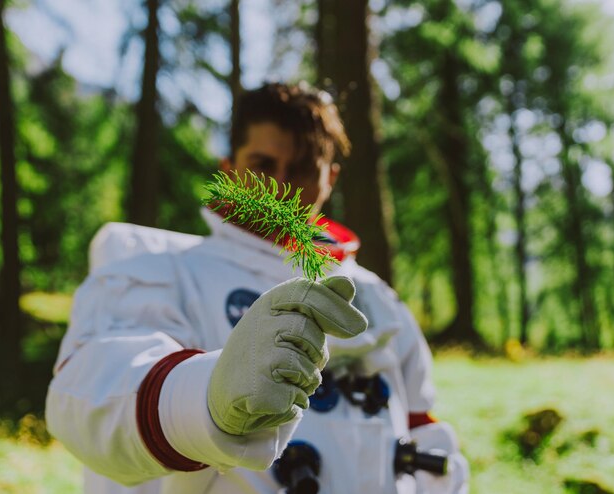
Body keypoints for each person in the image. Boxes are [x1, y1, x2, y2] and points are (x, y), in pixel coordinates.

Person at [46, 82, 469, 494]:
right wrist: (203, 399)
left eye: (303, 168)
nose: (281, 187)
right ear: (229, 169)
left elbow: (425, 434)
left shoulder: (377, 298)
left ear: (330, 179)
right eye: (263, 164)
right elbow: (86, 397)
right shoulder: (159, 272)